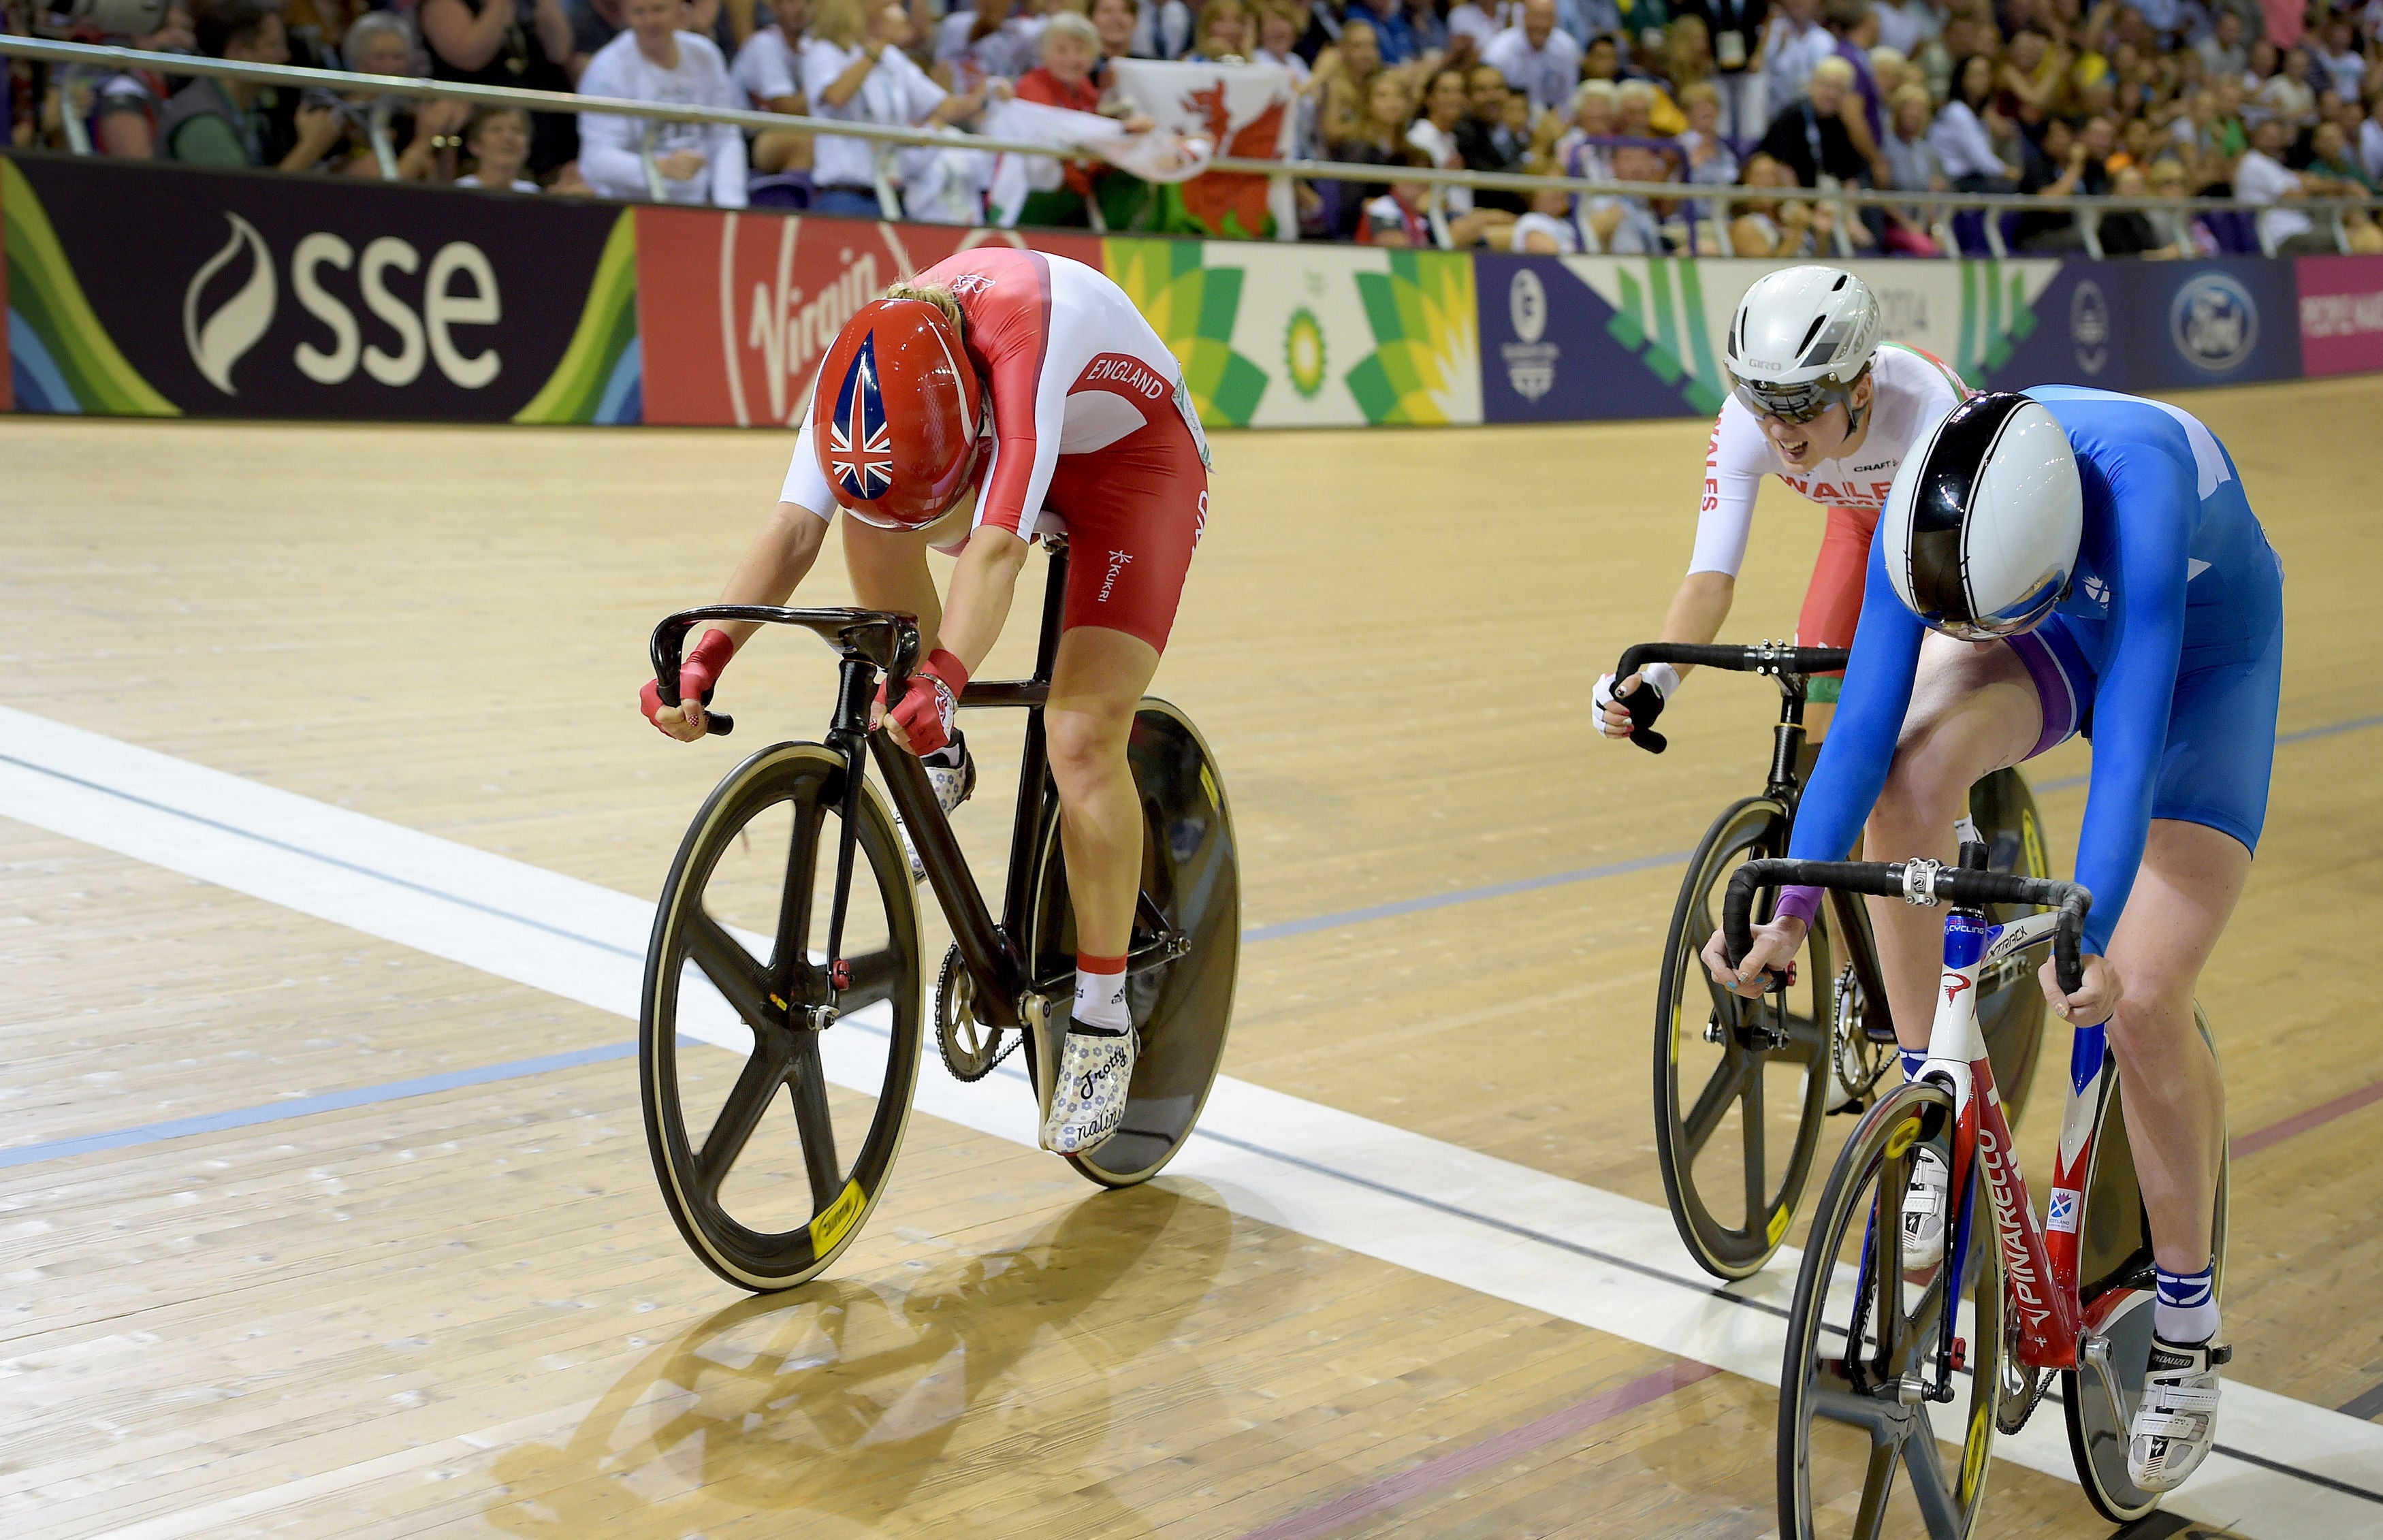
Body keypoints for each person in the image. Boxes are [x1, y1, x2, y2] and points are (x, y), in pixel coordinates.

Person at [1710, 385, 2284, 1498]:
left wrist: (2096, 932)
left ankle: (2185, 1320)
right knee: (1915, 772)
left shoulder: (2146, 483)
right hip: (2055, 616)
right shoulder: (1924, 491)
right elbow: (1865, 730)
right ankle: (1932, 1101)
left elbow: (2129, 740)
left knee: (2148, 996)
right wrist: (1789, 910)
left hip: (2204, 658)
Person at [641, 249, 1211, 1159]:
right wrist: (709, 651)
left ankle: (1103, 1021)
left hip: (1130, 465)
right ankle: (941, 762)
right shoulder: (861, 377)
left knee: (1080, 734)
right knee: (871, 515)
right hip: (978, 458)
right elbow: (794, 526)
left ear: (972, 409)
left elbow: (997, 557)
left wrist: (946, 675)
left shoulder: (1031, 334)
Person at [1595, 268, 1969, 746]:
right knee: (1812, 735)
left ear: (1860, 390)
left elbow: (1956, 575)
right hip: (1859, 530)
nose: (1779, 429)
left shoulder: (1924, 407)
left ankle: (1959, 824)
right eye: (1760, 399)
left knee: (1919, 735)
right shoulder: (1742, 425)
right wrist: (1657, 682)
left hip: (1951, 543)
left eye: (1801, 404)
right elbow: (1709, 581)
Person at [805, 0, 982, 216]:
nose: (894, 7)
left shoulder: (892, 58)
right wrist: (881, 42)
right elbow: (836, 96)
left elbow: (944, 106)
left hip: (891, 197)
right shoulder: (825, 52)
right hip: (845, 196)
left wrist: (984, 95)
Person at [577, 0, 748, 206]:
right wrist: (658, 167)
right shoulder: (606, 69)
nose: (650, 21)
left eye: (658, 10)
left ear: (680, 10)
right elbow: (596, 160)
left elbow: (725, 137)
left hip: (699, 204)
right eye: (639, 12)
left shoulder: (705, 55)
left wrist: (730, 206)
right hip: (627, 207)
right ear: (626, 16)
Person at [161, 0, 340, 170]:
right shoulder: (204, 124)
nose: (285, 56)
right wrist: (309, 148)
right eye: (273, 45)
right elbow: (243, 201)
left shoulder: (250, 108)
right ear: (237, 52)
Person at [421, 0, 579, 176]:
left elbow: (559, 52)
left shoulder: (529, 7)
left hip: (538, 123)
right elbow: (470, 57)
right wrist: (500, 6)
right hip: (477, 124)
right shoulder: (444, 5)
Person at [1676, 0, 1769, 145]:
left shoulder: (1754, 7)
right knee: (1720, 119)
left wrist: (1759, 53)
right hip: (1715, 71)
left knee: (1752, 122)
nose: (1701, 43)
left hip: (1747, 68)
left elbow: (1769, 16)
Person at [1485, 0, 1586, 116]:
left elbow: (1569, 97)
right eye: (1535, 16)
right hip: (1511, 119)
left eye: (1547, 17)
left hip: (1555, 121)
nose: (1541, 24)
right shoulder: (1499, 52)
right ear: (1523, 17)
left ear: (1556, 20)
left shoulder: (1567, 48)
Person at [455, 103, 543, 187]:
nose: (508, 137)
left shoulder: (538, 197)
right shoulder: (456, 193)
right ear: (475, 145)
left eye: (517, 130)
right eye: (496, 130)